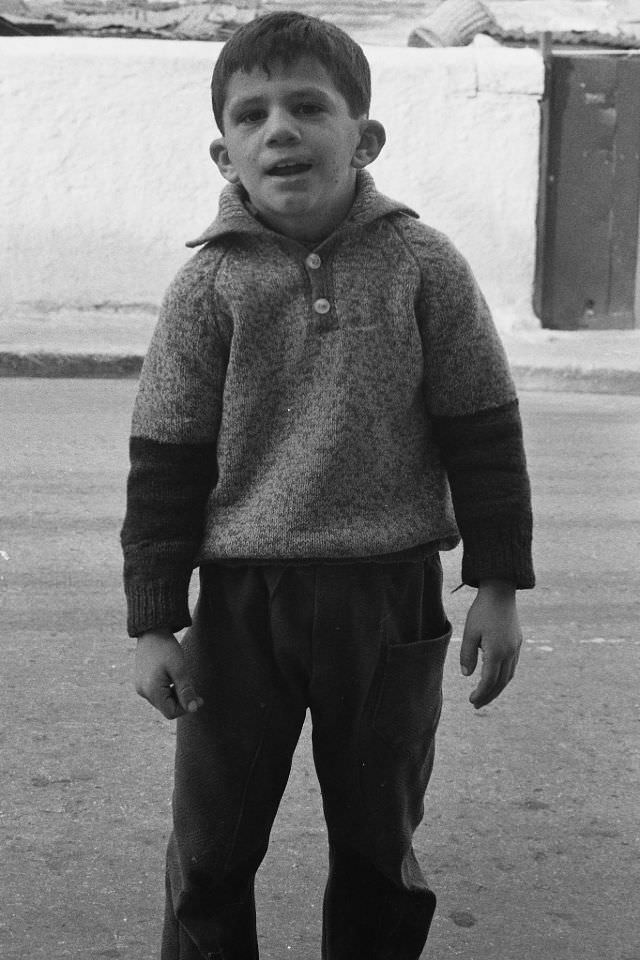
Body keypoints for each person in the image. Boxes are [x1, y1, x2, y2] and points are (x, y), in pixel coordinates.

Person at [121, 11, 534, 960]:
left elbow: (484, 433)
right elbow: (165, 466)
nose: (281, 129)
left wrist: (498, 586)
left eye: (309, 106)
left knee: (379, 848)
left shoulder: (423, 266)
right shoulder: (207, 288)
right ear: (224, 152)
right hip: (241, 611)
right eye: (253, 113)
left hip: (387, 605)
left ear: (366, 136)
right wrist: (154, 622)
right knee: (212, 854)